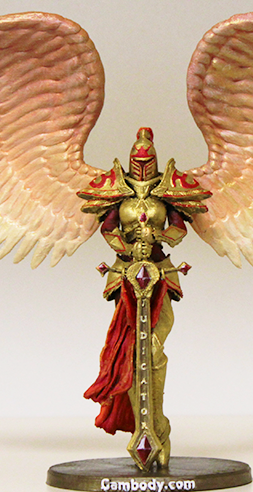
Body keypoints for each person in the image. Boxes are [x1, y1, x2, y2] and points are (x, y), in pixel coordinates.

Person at [79, 128, 211, 467]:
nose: (141, 165)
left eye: (147, 159)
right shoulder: (117, 189)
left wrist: (157, 236)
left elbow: (179, 228)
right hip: (126, 276)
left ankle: (158, 429)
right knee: (130, 353)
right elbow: (107, 228)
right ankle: (146, 431)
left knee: (152, 349)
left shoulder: (168, 188)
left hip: (160, 274)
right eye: (137, 160)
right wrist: (124, 246)